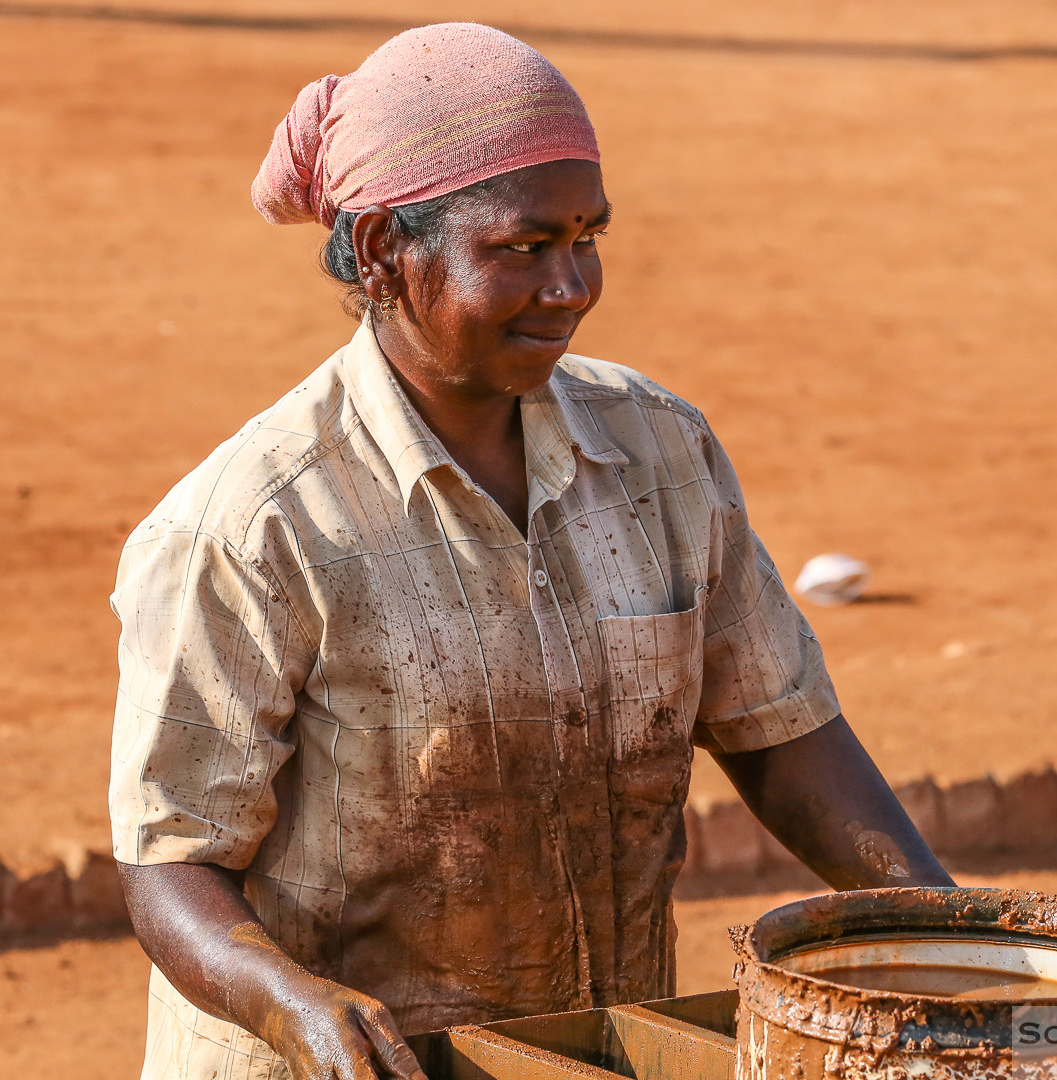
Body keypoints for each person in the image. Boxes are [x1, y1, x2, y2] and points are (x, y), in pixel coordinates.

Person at [109, 22, 954, 1080]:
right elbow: (170, 864)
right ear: (382, 253)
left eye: (586, 237)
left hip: (593, 1052)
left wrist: (945, 930)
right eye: (522, 248)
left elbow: (780, 734)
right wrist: (297, 1006)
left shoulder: (658, 452)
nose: (570, 285)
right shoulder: (254, 527)